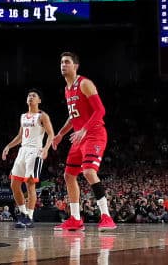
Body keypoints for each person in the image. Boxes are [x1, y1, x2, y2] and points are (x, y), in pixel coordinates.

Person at [51, 51, 117, 231]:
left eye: (67, 62)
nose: (63, 65)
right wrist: (60, 134)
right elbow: (73, 117)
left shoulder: (85, 83)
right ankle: (75, 218)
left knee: (88, 171)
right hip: (79, 137)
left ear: (75, 66)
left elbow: (100, 111)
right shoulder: (67, 89)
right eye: (61, 62)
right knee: (68, 175)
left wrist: (84, 129)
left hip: (94, 133)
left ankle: (106, 217)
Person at [1, 88, 54, 228]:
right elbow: (20, 137)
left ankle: (30, 216)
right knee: (14, 184)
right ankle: (23, 213)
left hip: (35, 151)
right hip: (22, 150)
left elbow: (51, 134)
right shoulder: (23, 116)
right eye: (29, 95)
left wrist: (46, 148)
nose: (31, 97)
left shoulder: (42, 116)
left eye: (34, 95)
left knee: (30, 184)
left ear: (39, 100)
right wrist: (8, 146)